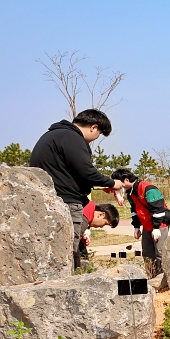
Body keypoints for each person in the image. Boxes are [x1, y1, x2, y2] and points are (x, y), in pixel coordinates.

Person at [29, 109, 125, 270]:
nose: (95, 139)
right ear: (94, 127)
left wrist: (98, 185)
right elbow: (86, 171)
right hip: (66, 202)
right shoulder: (73, 138)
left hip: (50, 199)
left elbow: (67, 173)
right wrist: (111, 183)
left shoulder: (54, 135)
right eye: (99, 134)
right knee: (69, 251)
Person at [113, 169, 170, 277]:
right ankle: (152, 277)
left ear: (126, 180)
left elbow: (158, 210)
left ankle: (163, 278)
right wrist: (136, 227)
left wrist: (156, 227)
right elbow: (134, 210)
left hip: (159, 225)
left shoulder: (148, 189)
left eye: (118, 183)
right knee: (147, 253)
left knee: (160, 252)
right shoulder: (131, 193)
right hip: (146, 226)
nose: (117, 186)